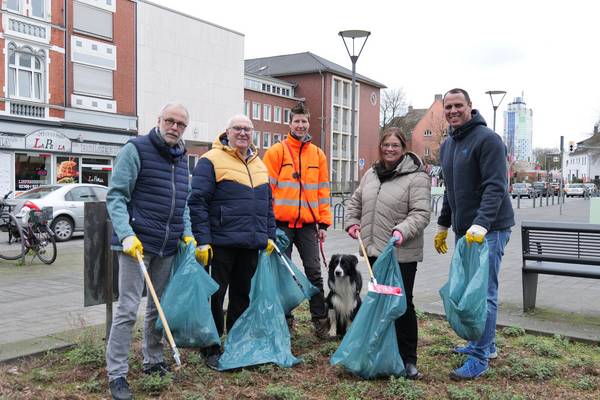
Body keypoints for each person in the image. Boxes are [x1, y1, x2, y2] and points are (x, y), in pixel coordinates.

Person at [105, 103, 194, 400]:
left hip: (166, 246)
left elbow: (183, 204)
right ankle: (116, 373)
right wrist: (127, 235)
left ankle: (153, 360)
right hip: (136, 246)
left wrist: (188, 235)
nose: (175, 127)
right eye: (170, 121)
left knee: (158, 308)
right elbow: (116, 196)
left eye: (181, 124)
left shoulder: (182, 159)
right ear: (158, 120)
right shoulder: (136, 149)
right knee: (128, 308)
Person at [435, 88, 515, 380]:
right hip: (465, 231)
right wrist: (444, 225)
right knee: (469, 289)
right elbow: (450, 190)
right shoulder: (447, 145)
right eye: (448, 106)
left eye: (458, 105)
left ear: (470, 107)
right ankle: (484, 343)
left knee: (483, 293)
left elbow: (496, 186)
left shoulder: (488, 140)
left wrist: (481, 224)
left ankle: (480, 356)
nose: (453, 111)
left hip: (490, 229)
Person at [188, 114, 276, 369]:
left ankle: (237, 342)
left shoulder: (259, 164)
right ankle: (211, 347)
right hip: (220, 243)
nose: (243, 133)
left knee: (242, 296)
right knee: (215, 295)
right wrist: (202, 240)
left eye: (247, 129)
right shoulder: (210, 160)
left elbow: (268, 205)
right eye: (237, 128)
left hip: (250, 243)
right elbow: (198, 202)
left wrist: (269, 235)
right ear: (227, 131)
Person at [345, 127, 431, 379]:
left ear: (403, 148)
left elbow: (421, 213)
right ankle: (377, 353)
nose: (390, 149)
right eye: (386, 145)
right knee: (377, 303)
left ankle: (408, 359)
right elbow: (356, 201)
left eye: (395, 145)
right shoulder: (371, 174)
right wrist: (351, 221)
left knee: (401, 305)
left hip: (399, 254)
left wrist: (402, 231)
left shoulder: (416, 177)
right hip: (373, 252)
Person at [262, 102, 332, 339]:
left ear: (308, 123)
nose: (300, 125)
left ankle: (320, 322)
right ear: (289, 123)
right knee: (283, 274)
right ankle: (285, 322)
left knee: (314, 273)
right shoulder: (276, 152)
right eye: (297, 121)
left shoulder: (318, 155)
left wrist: (323, 224)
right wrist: (266, 223)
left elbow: (323, 191)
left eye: (304, 121)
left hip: (308, 226)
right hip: (281, 226)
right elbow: (266, 190)